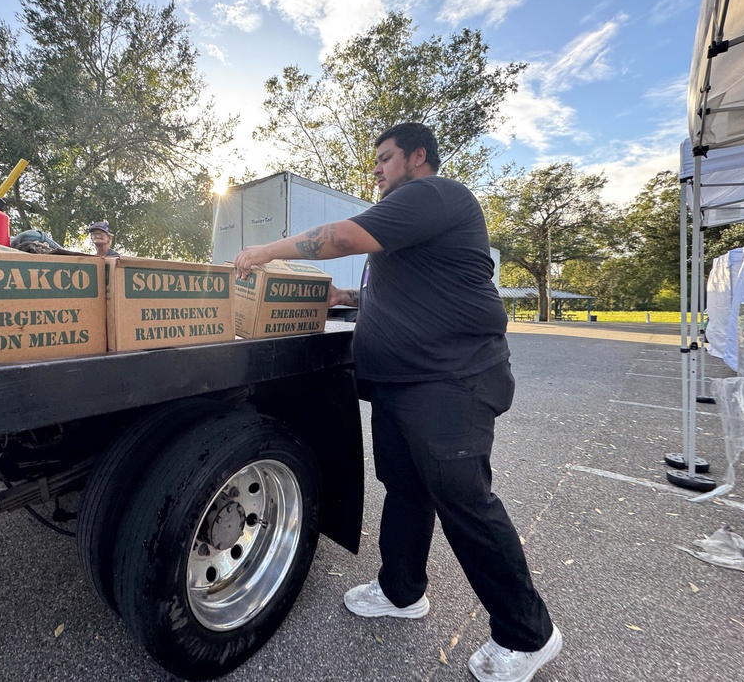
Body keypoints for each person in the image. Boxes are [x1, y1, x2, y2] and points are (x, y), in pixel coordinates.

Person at [234, 122, 561, 682]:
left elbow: (339, 238)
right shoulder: (414, 216)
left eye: (386, 159)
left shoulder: (433, 194)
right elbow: (415, 286)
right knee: (406, 488)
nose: (378, 170)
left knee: (464, 500)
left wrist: (265, 251)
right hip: (404, 384)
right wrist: (350, 296)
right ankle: (401, 591)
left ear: (417, 157)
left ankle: (528, 634)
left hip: (449, 381)